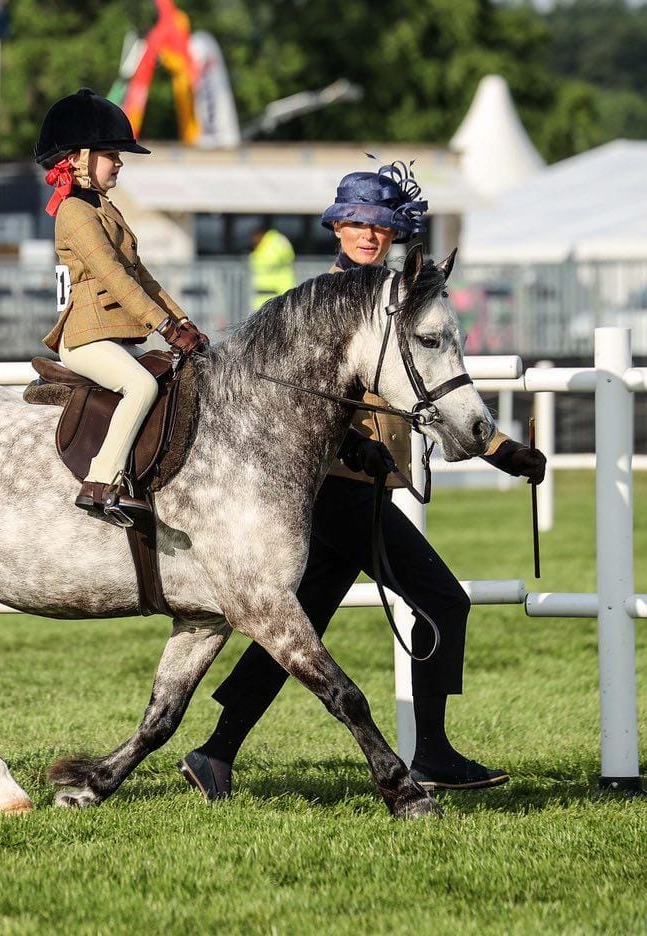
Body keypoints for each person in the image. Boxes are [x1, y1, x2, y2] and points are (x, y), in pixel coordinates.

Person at [179, 162, 547, 797]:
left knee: (296, 625)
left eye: (381, 225)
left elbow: (432, 391)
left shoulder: (395, 298)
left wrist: (499, 450)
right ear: (337, 228)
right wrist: (496, 451)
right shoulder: (327, 304)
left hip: (356, 487)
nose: (369, 234)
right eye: (357, 223)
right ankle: (430, 752)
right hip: (335, 489)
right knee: (441, 598)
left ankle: (215, 752)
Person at [35, 88, 209, 526]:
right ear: (79, 158)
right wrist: (164, 329)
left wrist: (183, 319)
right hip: (85, 338)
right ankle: (100, 483)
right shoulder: (74, 212)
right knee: (141, 387)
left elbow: (141, 274)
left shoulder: (104, 208)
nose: (120, 162)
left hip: (113, 335)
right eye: (111, 154)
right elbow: (113, 275)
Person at [249, 222, 295, 309]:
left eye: (253, 237)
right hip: (263, 294)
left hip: (277, 291)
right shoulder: (261, 246)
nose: (252, 240)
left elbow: (288, 256)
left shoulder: (276, 240)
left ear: (260, 234)